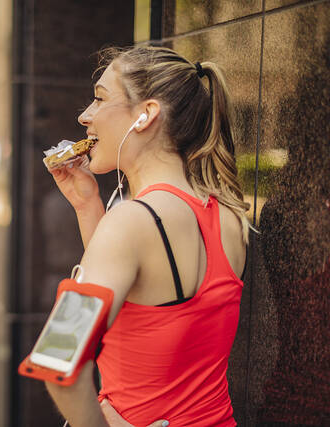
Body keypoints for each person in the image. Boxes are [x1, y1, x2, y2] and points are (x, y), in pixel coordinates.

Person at [43, 46, 250, 426]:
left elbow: (57, 357)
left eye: (100, 98)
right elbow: (146, 309)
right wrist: (89, 208)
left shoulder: (130, 225)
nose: (84, 116)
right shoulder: (230, 217)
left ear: (146, 114)